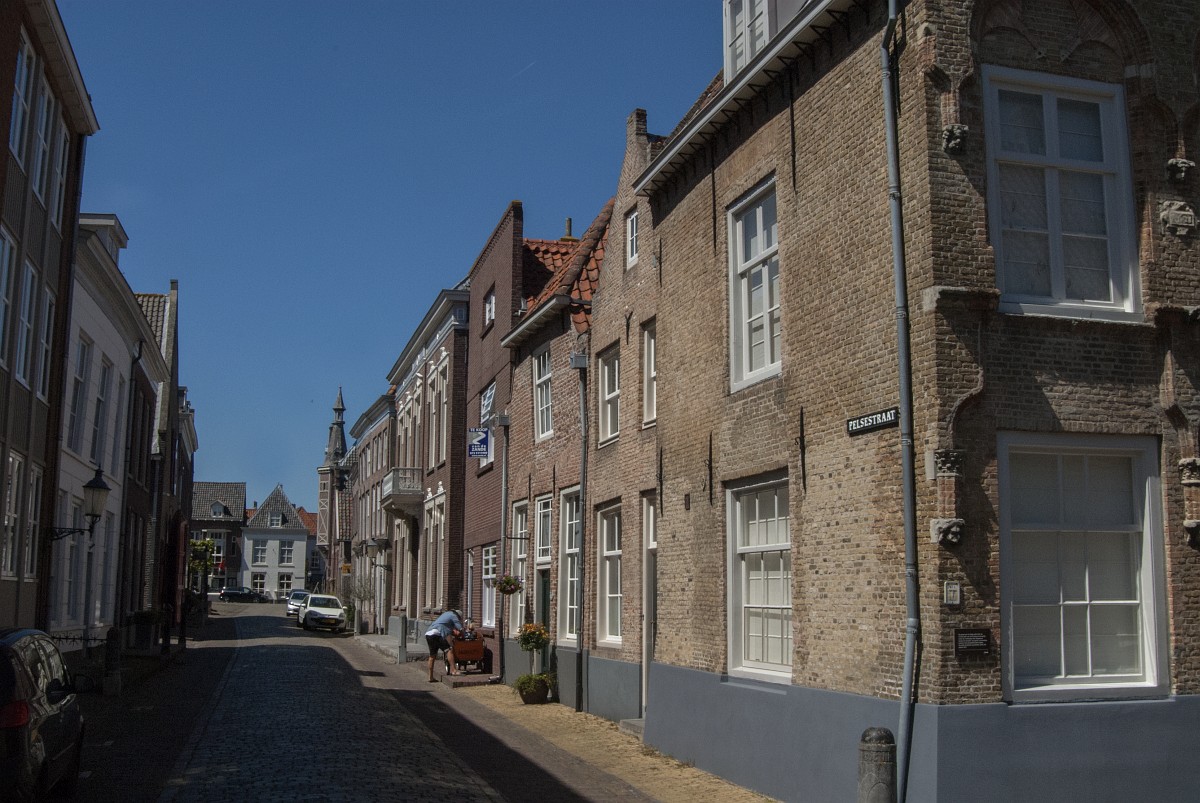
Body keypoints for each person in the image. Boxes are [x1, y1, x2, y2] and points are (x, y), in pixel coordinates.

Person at [425, 609, 464, 682]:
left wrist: (454, 632)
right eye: (459, 618)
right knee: (449, 650)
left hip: (428, 634)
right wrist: (463, 634)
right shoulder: (454, 615)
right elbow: (460, 628)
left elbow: (447, 629)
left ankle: (430, 677)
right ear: (458, 616)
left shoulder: (446, 615)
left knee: (432, 655)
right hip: (437, 633)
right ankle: (454, 670)